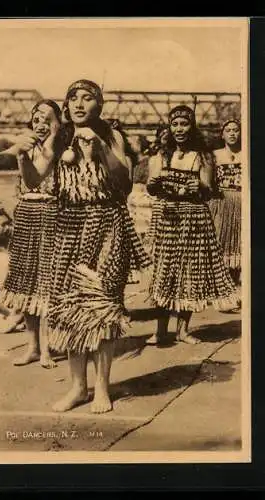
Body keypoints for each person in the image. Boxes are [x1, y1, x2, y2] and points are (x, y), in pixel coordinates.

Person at [47, 79, 151, 413]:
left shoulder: (112, 136)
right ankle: (78, 387)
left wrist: (101, 151)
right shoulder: (60, 136)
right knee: (68, 305)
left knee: (104, 304)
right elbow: (37, 180)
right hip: (68, 226)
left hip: (108, 223)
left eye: (87, 98)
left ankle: (103, 388)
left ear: (99, 105)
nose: (79, 104)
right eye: (73, 97)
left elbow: (124, 184)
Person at [145, 105, 238, 346]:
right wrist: (155, 184)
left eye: (184, 124)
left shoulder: (204, 156)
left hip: (195, 219)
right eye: (175, 124)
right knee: (164, 272)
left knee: (190, 274)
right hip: (168, 218)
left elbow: (209, 190)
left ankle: (183, 331)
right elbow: (151, 187)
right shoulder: (161, 156)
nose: (179, 129)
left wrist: (201, 187)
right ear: (169, 127)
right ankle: (160, 330)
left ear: (192, 126)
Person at [0, 99, 64, 367]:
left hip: (52, 217)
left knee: (48, 284)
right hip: (26, 216)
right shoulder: (26, 143)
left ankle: (48, 349)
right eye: (37, 118)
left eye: (48, 119)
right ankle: (32, 346)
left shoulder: (61, 146)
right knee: (27, 284)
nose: (41, 124)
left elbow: (35, 178)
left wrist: (40, 144)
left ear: (58, 122)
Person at [209, 119, 242, 288]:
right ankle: (219, 287)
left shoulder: (247, 154)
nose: (232, 133)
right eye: (228, 130)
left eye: (235, 130)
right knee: (219, 242)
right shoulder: (215, 155)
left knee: (237, 243)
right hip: (220, 203)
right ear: (222, 134)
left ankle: (234, 286)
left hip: (240, 203)